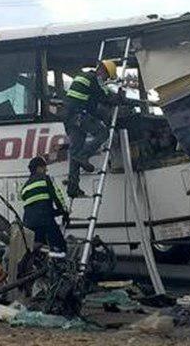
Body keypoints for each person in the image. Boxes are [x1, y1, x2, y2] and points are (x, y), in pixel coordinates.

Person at [63, 59, 120, 197]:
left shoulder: (83, 77)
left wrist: (101, 117)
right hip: (79, 116)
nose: (105, 80)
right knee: (103, 133)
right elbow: (105, 96)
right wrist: (119, 98)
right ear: (103, 71)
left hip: (69, 118)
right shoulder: (94, 78)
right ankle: (84, 155)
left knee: (75, 151)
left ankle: (73, 187)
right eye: (107, 77)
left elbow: (91, 105)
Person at [20, 156, 69, 257]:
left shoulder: (24, 187)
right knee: (60, 247)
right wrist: (64, 211)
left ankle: (42, 261)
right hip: (45, 220)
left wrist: (55, 212)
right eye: (44, 167)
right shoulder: (45, 179)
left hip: (29, 223)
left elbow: (34, 207)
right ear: (39, 168)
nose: (46, 170)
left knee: (40, 246)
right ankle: (58, 261)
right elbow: (57, 196)